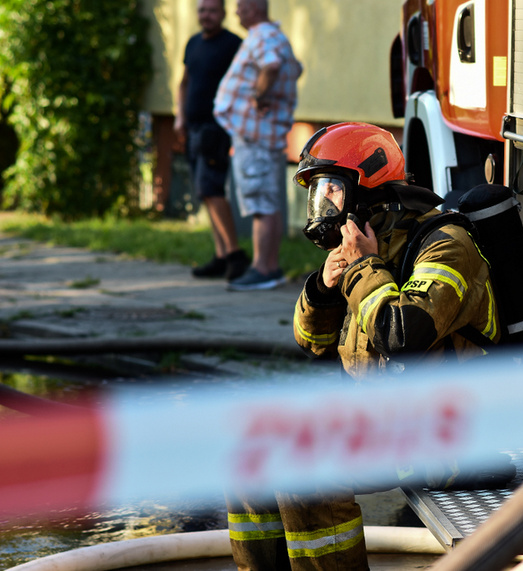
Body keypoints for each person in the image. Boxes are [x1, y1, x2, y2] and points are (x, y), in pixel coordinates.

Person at [224, 122, 501, 570]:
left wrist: (362, 269)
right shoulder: (370, 244)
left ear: (367, 190)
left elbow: (404, 335)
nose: (323, 204)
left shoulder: (446, 247)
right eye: (319, 191)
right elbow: (311, 342)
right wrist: (324, 286)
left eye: (332, 188)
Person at [213, 0, 302, 291]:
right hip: (263, 136)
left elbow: (272, 65)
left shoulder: (263, 35)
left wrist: (259, 95)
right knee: (267, 201)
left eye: (239, 5)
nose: (236, 11)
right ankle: (268, 267)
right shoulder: (274, 35)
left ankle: (263, 268)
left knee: (261, 202)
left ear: (253, 6)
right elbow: (296, 69)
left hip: (256, 137)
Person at [175, 0, 249, 281]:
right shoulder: (193, 43)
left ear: (223, 13)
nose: (206, 15)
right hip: (192, 127)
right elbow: (184, 83)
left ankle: (234, 254)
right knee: (204, 192)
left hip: (216, 129)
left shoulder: (233, 44)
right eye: (202, 10)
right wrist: (179, 117)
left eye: (211, 10)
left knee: (212, 189)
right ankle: (221, 256)